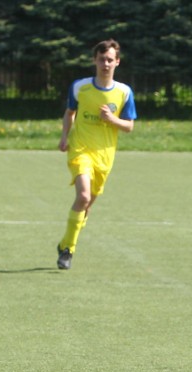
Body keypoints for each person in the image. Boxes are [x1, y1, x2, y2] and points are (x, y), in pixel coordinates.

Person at [56, 39, 137, 270]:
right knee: (82, 196)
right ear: (95, 60)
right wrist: (64, 136)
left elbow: (129, 126)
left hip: (105, 156)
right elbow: (69, 112)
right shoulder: (80, 87)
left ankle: (64, 242)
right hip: (80, 150)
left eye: (110, 59)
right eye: (102, 59)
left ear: (117, 62)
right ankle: (68, 251)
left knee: (87, 205)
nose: (105, 64)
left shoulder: (123, 92)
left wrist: (112, 120)